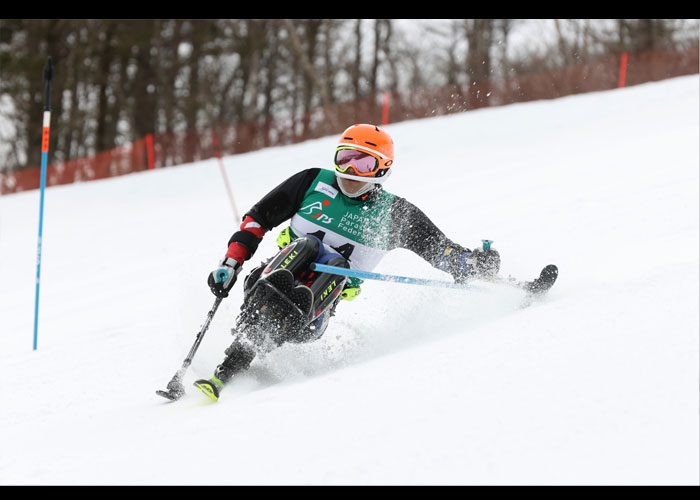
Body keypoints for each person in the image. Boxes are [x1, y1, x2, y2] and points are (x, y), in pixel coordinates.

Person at [194, 124, 501, 401]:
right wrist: (231, 263)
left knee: (338, 265)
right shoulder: (312, 181)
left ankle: (290, 311)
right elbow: (257, 218)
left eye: (364, 163)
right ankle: (247, 341)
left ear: (382, 170)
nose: (351, 171)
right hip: (267, 282)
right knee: (308, 245)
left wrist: (473, 263)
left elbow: (440, 250)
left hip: (315, 311)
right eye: (345, 158)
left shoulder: (393, 214)